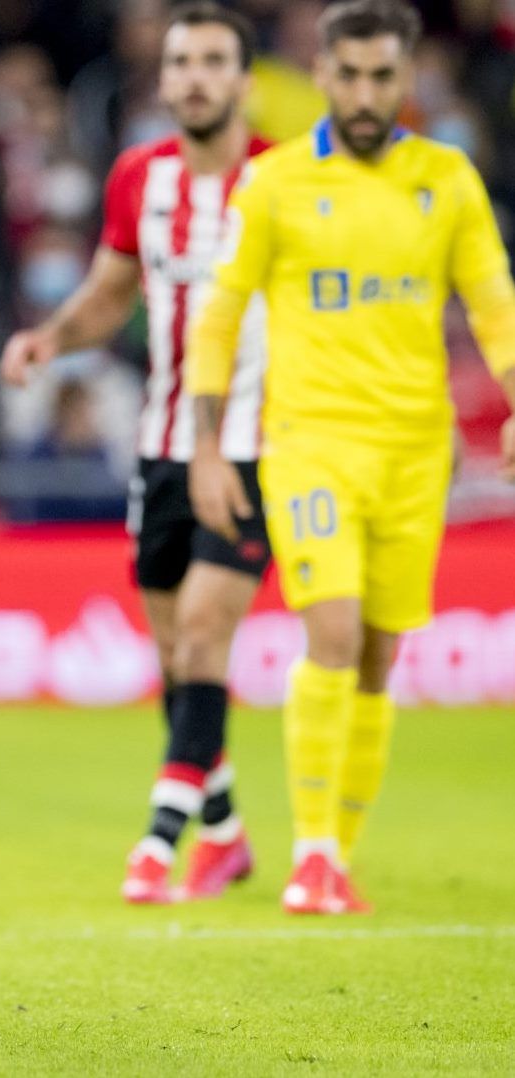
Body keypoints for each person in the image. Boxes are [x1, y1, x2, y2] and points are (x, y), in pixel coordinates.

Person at [188, 0, 515, 914]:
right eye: (351, 75)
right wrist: (210, 448)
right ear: (323, 76)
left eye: (384, 77)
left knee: (377, 655)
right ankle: (313, 852)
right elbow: (219, 320)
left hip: (417, 452)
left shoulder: (445, 179)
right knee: (331, 633)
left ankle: (340, 856)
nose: (367, 94)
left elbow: (493, 301)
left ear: (406, 79)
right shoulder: (277, 183)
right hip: (311, 443)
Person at [0, 2, 269, 905]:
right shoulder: (138, 178)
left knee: (202, 636)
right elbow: (112, 293)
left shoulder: (285, 180)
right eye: (181, 60)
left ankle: (159, 844)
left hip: (254, 446)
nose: (193, 76)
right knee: (177, 658)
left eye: (212, 61)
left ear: (244, 81)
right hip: (159, 447)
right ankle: (226, 834)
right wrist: (50, 337)